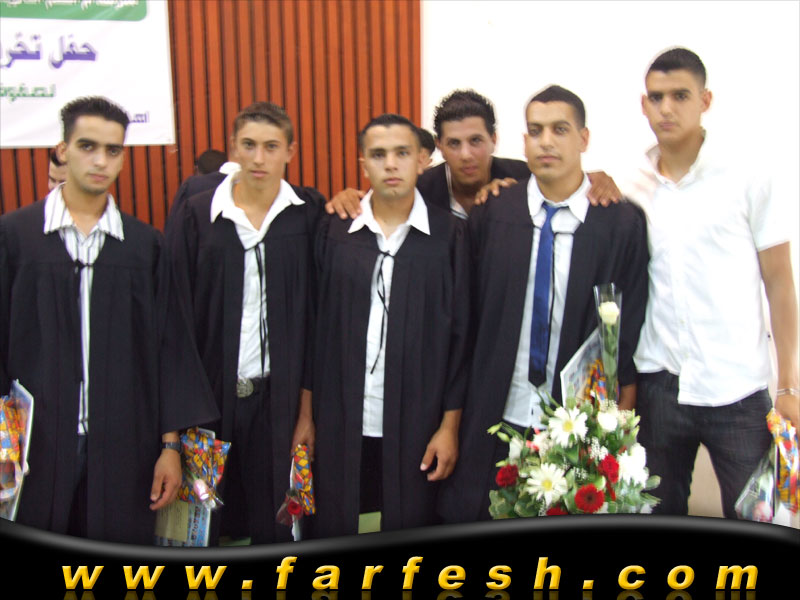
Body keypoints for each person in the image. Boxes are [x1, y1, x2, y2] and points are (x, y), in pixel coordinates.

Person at [0, 96, 219, 543]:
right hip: (34, 448)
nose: (100, 160)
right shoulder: (16, 237)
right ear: (62, 150)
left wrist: (170, 447)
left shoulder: (144, 246)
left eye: (113, 150)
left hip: (125, 448)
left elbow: (168, 350)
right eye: (87, 146)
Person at [438, 85, 649, 524]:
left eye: (560, 129)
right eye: (535, 131)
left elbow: (623, 333)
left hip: (574, 420)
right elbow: (465, 322)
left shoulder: (619, 223)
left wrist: (619, 425)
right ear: (523, 141)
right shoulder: (493, 214)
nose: (546, 141)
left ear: (583, 139)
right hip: (494, 409)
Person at [627, 48, 799, 518]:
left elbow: (780, 283)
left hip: (737, 389)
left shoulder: (747, 176)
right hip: (659, 388)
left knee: (760, 520)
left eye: (680, 95)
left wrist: (789, 387)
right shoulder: (632, 185)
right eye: (656, 97)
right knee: (654, 517)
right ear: (643, 105)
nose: (666, 108)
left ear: (705, 100)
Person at [166, 102, 323, 544]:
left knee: (279, 525)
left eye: (271, 146)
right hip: (207, 404)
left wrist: (306, 413)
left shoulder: (307, 214)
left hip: (279, 403)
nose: (259, 158)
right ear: (234, 147)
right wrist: (173, 434)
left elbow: (317, 323)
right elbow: (174, 324)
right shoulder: (196, 216)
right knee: (199, 528)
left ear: (290, 151)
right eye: (249, 145)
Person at [310, 114, 470, 537]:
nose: (391, 164)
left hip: (419, 420)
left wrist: (450, 427)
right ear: (363, 163)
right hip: (342, 417)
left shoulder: (450, 236)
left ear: (422, 159)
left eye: (402, 153)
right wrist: (307, 417)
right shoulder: (335, 230)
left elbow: (460, 342)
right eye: (378, 155)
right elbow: (316, 332)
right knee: (339, 521)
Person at [325, 89, 620, 219]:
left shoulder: (523, 177)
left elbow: (567, 183)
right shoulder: (420, 189)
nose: (466, 155)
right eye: (454, 144)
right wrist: (349, 198)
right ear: (439, 146)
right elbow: (377, 204)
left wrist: (596, 180)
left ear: (494, 140)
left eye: (476, 141)